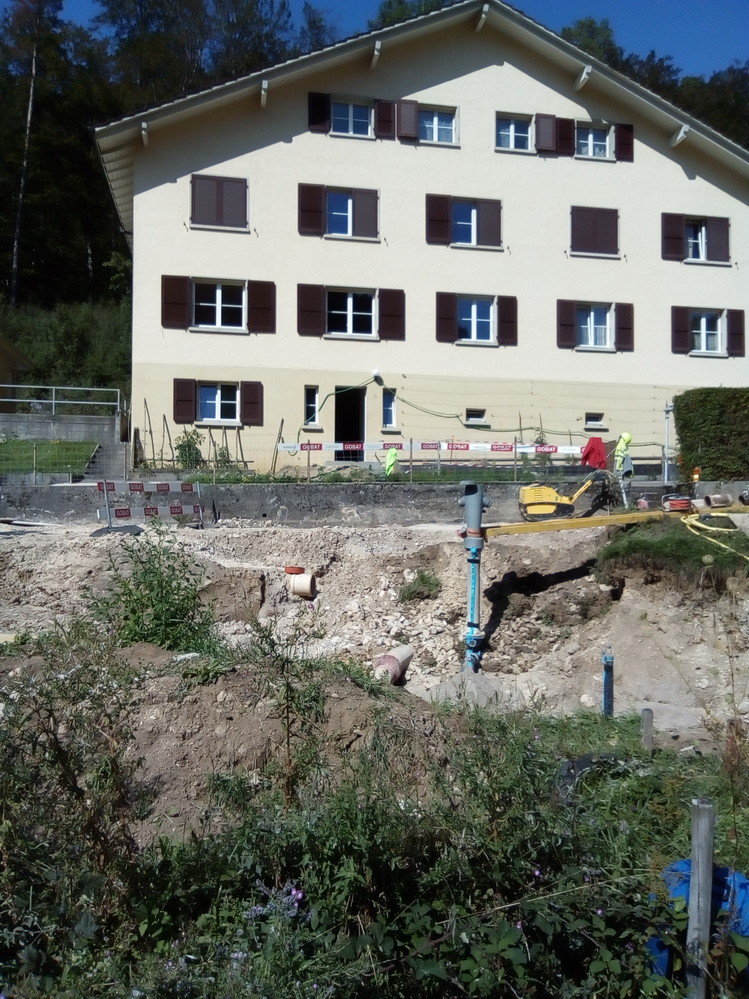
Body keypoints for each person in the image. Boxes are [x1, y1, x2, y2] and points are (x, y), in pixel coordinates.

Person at [614, 432, 633, 508]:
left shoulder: (621, 446)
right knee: (622, 487)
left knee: (622, 487)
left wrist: (618, 468)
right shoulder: (624, 446)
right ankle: (625, 504)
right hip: (622, 469)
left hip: (620, 469)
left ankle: (625, 504)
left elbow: (620, 458)